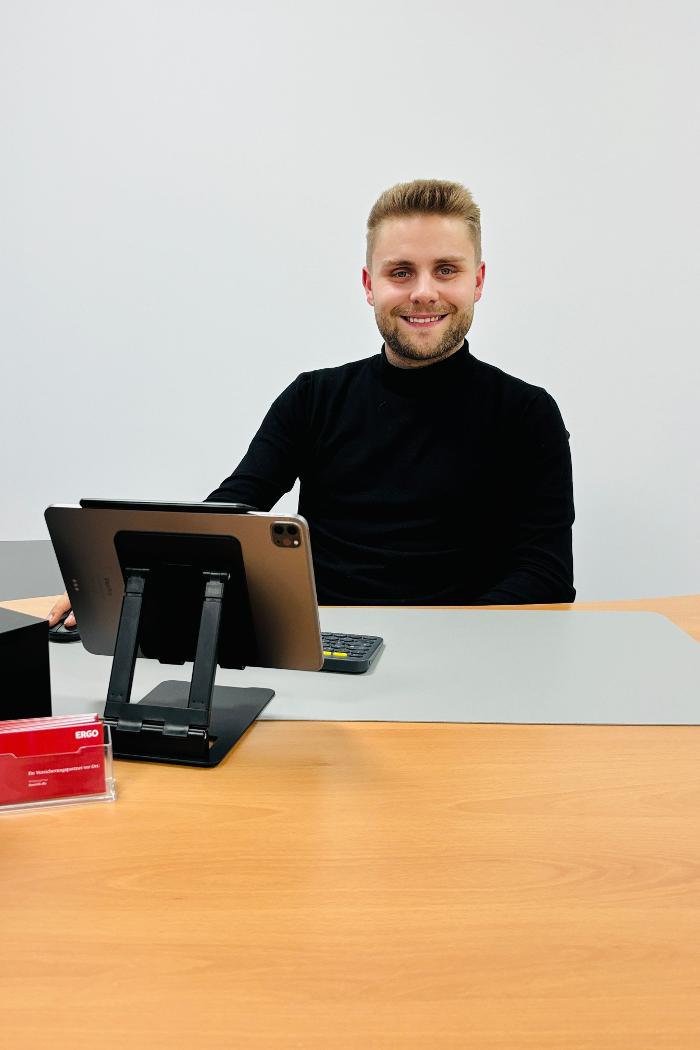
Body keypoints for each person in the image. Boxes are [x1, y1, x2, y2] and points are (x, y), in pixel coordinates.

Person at [48, 178, 574, 626]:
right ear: (369, 286)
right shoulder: (314, 398)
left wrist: (448, 644)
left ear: (477, 281)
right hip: (328, 650)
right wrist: (125, 580)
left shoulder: (528, 414)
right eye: (400, 272)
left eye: (445, 270)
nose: (422, 292)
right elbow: (233, 511)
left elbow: (546, 575)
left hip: (473, 657)